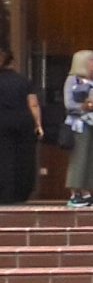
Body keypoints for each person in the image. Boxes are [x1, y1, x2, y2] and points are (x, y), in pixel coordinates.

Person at [63, 50, 93, 207]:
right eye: (91, 61)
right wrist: (89, 105)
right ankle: (75, 192)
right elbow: (69, 104)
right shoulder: (72, 81)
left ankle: (88, 191)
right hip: (80, 125)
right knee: (79, 157)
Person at [0, 50, 42, 204]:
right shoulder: (23, 81)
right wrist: (38, 125)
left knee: (4, 157)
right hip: (22, 121)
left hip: (2, 121)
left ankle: (4, 193)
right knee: (22, 157)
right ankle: (20, 192)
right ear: (13, 63)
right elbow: (33, 104)